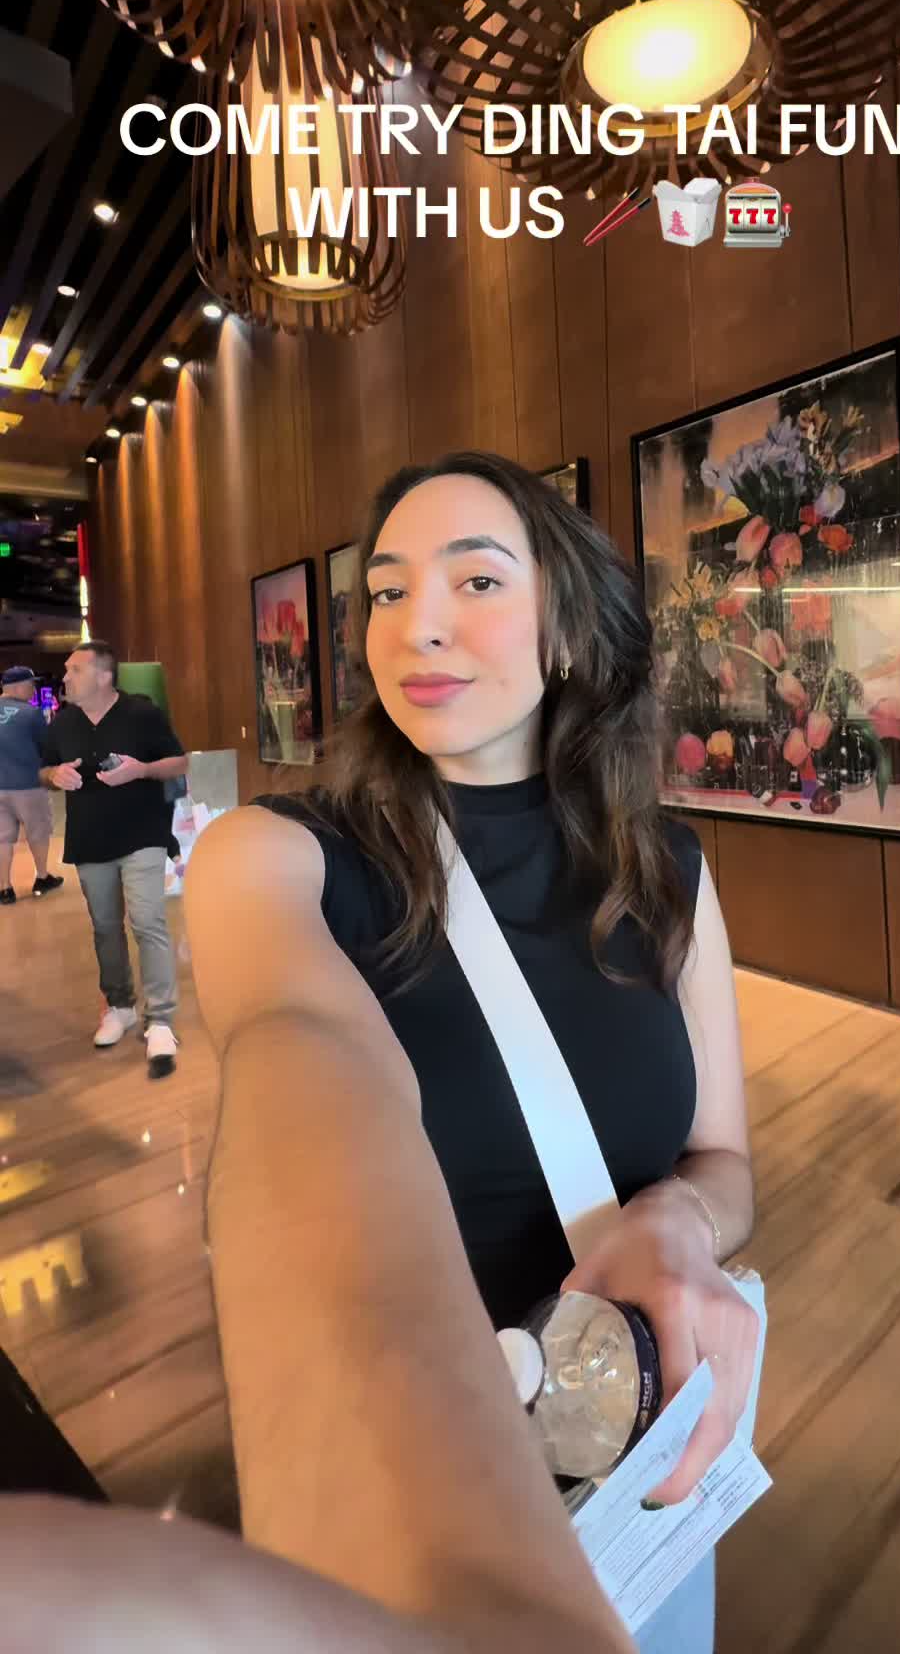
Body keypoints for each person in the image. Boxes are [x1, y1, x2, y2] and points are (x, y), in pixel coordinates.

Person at [185, 452, 758, 1653]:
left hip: (641, 1458)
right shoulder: (275, 861)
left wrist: (676, 1220)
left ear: (568, 629)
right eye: (388, 592)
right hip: (418, 1507)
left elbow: (723, 1161)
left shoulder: (667, 870)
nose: (419, 625)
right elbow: (299, 1067)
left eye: (477, 581)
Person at [39, 640, 187, 1079]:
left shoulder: (142, 714)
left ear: (104, 676)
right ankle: (120, 1006)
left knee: (147, 922)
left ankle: (160, 1019)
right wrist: (54, 775)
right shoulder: (63, 723)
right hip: (90, 840)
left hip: (143, 834)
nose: (65, 677)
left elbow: (179, 763)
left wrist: (140, 769)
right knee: (105, 927)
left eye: (75, 669)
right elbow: (42, 770)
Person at [0, 665, 64, 905]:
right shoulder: (30, 713)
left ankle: (4, 888)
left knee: (2, 838)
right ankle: (42, 877)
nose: (33, 689)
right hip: (28, 785)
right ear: (18, 687)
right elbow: (46, 747)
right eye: (31, 685)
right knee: (38, 832)